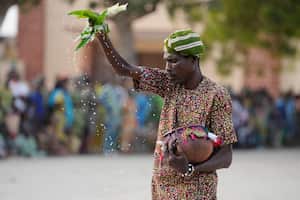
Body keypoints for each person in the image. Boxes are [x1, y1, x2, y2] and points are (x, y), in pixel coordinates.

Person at [94, 28, 237, 199]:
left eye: (174, 61)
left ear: (193, 60)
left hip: (196, 191)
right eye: (166, 61)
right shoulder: (168, 84)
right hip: (162, 188)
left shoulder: (216, 95)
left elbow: (226, 156)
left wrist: (190, 169)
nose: (167, 68)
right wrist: (101, 36)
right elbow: (123, 69)